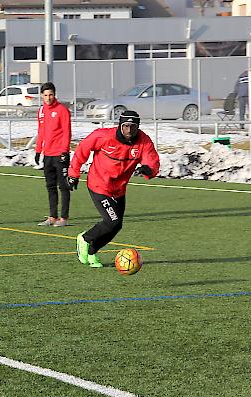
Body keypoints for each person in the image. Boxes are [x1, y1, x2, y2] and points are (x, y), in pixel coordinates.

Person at [66, 110, 160, 268]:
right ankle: (85, 239)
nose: (129, 130)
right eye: (126, 126)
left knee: (116, 226)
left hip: (119, 189)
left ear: (138, 127)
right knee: (112, 221)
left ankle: (92, 252)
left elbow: (152, 160)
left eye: (133, 127)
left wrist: (148, 170)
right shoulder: (103, 136)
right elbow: (82, 149)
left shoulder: (144, 141)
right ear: (120, 125)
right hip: (99, 185)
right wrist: (73, 174)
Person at [35, 82, 73, 227]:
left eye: (50, 94)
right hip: (48, 154)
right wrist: (38, 151)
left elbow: (66, 132)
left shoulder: (62, 110)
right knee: (50, 186)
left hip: (60, 154)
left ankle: (64, 218)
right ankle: (52, 217)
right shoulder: (41, 111)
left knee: (64, 186)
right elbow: (41, 132)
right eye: (45, 95)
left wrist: (64, 151)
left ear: (54, 94)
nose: (48, 98)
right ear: (42, 96)